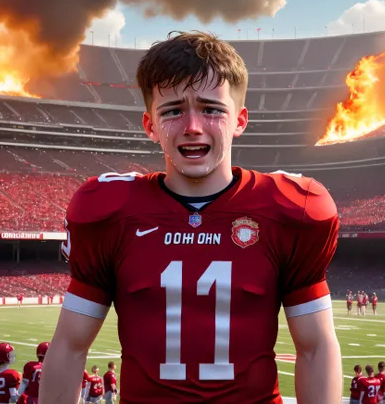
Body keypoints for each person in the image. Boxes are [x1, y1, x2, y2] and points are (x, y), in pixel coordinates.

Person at [40, 31, 342, 403]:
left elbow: (314, 349)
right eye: (172, 111)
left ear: (240, 120)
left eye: (211, 108)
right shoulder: (110, 211)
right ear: (150, 125)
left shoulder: (290, 209)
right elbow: (70, 346)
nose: (193, 126)